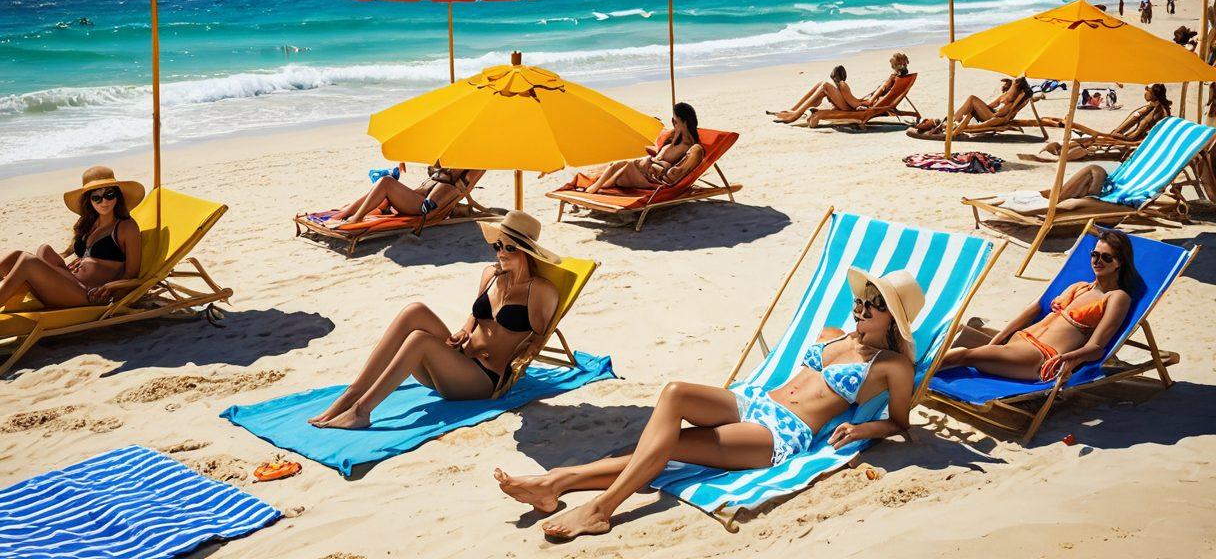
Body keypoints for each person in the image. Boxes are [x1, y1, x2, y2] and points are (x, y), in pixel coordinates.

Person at [494, 268, 924, 540]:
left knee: (674, 444)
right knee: (675, 393)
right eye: (862, 299)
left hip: (780, 433)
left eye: (875, 305)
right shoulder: (832, 332)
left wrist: (864, 428)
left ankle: (594, 504)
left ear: (893, 317)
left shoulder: (891, 367)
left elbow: (900, 424)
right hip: (753, 400)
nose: (862, 308)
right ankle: (557, 484)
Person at [307, 211, 561, 429]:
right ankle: (352, 394)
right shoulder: (490, 275)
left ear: (526, 252)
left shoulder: (540, 291)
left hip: (482, 380)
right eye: (498, 245)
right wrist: (464, 329)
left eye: (510, 247)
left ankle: (362, 412)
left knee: (419, 340)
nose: (501, 253)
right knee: (414, 311)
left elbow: (539, 338)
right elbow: (475, 314)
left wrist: (520, 364)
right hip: (456, 360)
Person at [939, 230, 1134, 382]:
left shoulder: (1117, 297)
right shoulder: (1079, 286)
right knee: (952, 333)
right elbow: (1033, 309)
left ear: (1119, 263)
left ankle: (913, 378)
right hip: (1018, 343)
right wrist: (997, 339)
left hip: (1039, 356)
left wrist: (1066, 360)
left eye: (1106, 257)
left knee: (963, 354)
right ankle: (915, 370)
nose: (1098, 261)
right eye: (1095, 255)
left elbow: (1096, 348)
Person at [0, 167, 143, 310]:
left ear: (117, 195)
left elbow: (132, 273)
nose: (104, 202)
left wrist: (111, 287)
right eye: (96, 197)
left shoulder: (126, 227)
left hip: (90, 295)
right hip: (72, 283)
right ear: (90, 200)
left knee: (27, 261)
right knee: (28, 253)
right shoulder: (89, 223)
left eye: (109, 194)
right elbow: (84, 253)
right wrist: (83, 260)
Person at [1024, 84, 1171, 162]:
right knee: (1092, 137)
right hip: (1127, 137)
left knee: (1094, 139)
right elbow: (1130, 122)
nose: (1145, 92)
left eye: (1147, 90)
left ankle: (1062, 154)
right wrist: (1115, 133)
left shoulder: (1158, 111)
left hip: (1134, 140)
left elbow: (1139, 131)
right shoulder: (1150, 107)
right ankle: (1061, 149)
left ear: (1154, 94)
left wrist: (1119, 137)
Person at [581, 103, 704, 194]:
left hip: (647, 178)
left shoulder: (690, 148)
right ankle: (598, 186)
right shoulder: (674, 139)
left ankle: (595, 189)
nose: (673, 124)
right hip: (642, 169)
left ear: (685, 122)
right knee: (615, 166)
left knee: (619, 166)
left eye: (675, 121)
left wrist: (664, 166)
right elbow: (661, 142)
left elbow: (675, 172)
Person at [323, 164, 485, 229]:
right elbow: (433, 169)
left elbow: (459, 190)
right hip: (416, 199)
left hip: (425, 208)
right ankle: (344, 214)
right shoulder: (448, 167)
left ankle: (356, 217)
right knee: (381, 189)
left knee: (386, 182)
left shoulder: (466, 172)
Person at [769, 53, 910, 124]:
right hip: (858, 104)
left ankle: (793, 116)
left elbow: (876, 97)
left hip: (855, 107)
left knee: (825, 85)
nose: (893, 68)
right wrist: (865, 100)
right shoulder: (896, 79)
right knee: (822, 84)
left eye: (894, 65)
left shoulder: (892, 79)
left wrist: (864, 103)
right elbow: (880, 95)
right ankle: (793, 110)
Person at [911, 77, 1031, 137]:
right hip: (989, 113)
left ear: (1018, 87)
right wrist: (979, 108)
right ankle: (947, 122)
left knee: (972, 98)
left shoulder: (1012, 101)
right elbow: (991, 105)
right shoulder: (1005, 96)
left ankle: (946, 124)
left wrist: (981, 110)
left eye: (1015, 82)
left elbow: (1000, 116)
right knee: (972, 102)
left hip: (993, 117)